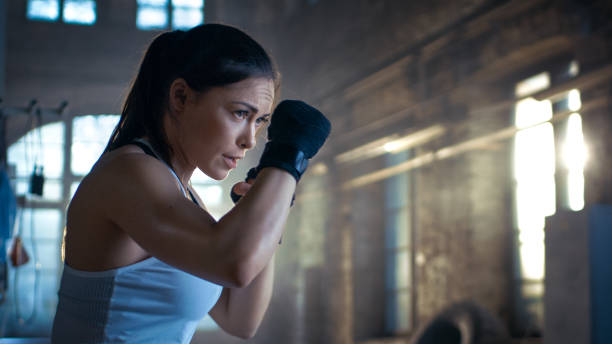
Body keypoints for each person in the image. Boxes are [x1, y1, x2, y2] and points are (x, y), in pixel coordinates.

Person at [51, 23, 330, 343]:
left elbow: (239, 319)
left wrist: (268, 210)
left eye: (260, 121)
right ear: (181, 97)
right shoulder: (129, 173)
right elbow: (234, 265)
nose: (250, 141)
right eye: (240, 113)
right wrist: (285, 160)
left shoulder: (182, 194)